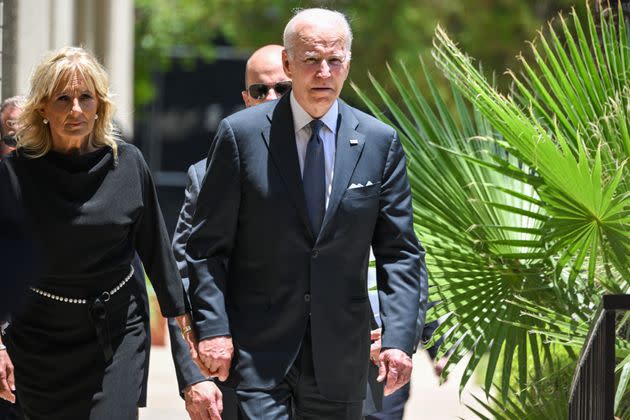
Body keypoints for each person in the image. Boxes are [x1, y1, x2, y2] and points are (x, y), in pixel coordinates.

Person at [185, 8, 428, 419]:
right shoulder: (241, 136)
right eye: (312, 60)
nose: (323, 72)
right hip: (257, 356)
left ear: (347, 64)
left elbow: (400, 252)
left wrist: (400, 339)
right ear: (287, 63)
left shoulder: (378, 142)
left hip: (340, 358)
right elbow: (206, 248)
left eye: (335, 60)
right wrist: (213, 330)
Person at [0, 46, 221, 420]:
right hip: (38, 338)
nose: (76, 110)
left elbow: (157, 253)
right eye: (63, 98)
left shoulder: (128, 163)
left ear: (100, 105)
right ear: (42, 108)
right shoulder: (15, 174)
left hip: (117, 333)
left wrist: (189, 333)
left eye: (86, 98)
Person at [168, 43, 290, 420]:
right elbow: (182, 276)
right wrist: (193, 377)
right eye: (260, 90)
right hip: (234, 372)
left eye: (283, 89)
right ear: (245, 98)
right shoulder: (205, 175)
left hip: (321, 375)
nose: (271, 98)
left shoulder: (337, 162)